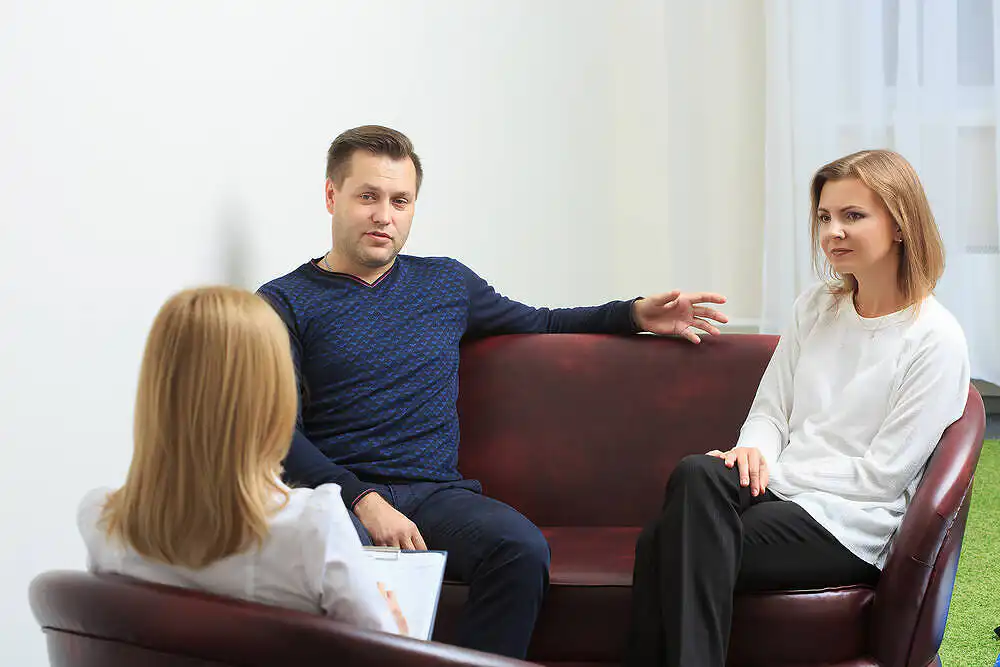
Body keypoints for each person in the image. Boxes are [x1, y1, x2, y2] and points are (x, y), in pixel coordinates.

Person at [256, 125, 730, 658]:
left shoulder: (446, 284)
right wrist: (361, 499)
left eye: (400, 200)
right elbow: (277, 434)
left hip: (438, 494)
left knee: (520, 549)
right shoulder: (282, 303)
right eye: (368, 196)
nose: (383, 215)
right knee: (354, 575)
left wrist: (632, 313)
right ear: (331, 196)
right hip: (338, 499)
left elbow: (541, 322)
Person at [625, 149, 971, 667]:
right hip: (783, 494)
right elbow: (771, 409)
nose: (833, 232)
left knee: (665, 543)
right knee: (698, 473)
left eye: (854, 216)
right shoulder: (817, 307)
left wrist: (777, 474)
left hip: (850, 523)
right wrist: (751, 453)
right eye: (825, 217)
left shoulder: (935, 339)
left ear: (900, 225)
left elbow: (881, 477)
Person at [78, 286, 405, 635]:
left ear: (157, 390)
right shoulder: (312, 528)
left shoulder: (102, 520)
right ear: (272, 393)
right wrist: (398, 628)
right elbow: (386, 652)